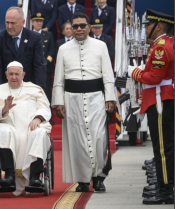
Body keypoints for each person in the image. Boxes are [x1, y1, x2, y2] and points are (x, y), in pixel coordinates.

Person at [52, 12, 115, 192]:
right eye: (75, 26)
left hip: (96, 97)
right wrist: (58, 102)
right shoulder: (63, 49)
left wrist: (110, 97)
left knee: (99, 138)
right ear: (70, 29)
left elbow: (108, 75)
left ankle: (99, 178)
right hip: (72, 100)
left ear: (89, 27)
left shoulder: (100, 45)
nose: (79, 29)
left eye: (82, 25)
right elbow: (58, 79)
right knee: (77, 141)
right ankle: (83, 181)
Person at [128, 9, 174, 205]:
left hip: (160, 101)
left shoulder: (161, 47)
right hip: (158, 99)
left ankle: (166, 191)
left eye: (149, 25)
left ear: (159, 26)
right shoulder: (160, 45)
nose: (146, 28)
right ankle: (165, 187)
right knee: (161, 147)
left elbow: (154, 77)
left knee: (163, 148)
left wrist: (135, 73)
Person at [0, 61, 51, 196]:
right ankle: (9, 175)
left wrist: (38, 118)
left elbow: (45, 108)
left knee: (39, 132)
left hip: (31, 126)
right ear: (6, 75)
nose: (14, 77)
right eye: (11, 74)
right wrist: (4, 109)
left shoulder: (35, 89)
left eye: (17, 74)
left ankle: (34, 177)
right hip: (8, 125)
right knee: (3, 131)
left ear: (23, 75)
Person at [0, 6, 46, 91]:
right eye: (7, 22)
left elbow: (39, 66)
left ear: (23, 22)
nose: (9, 26)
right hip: (6, 89)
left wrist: (40, 91)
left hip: (29, 89)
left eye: (13, 23)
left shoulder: (34, 38)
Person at [31, 13, 55, 125]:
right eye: (36, 21)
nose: (39, 23)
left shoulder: (48, 35)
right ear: (32, 22)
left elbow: (51, 50)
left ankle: (48, 116)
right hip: (32, 69)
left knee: (46, 93)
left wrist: (46, 61)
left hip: (46, 68)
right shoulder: (29, 35)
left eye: (41, 21)